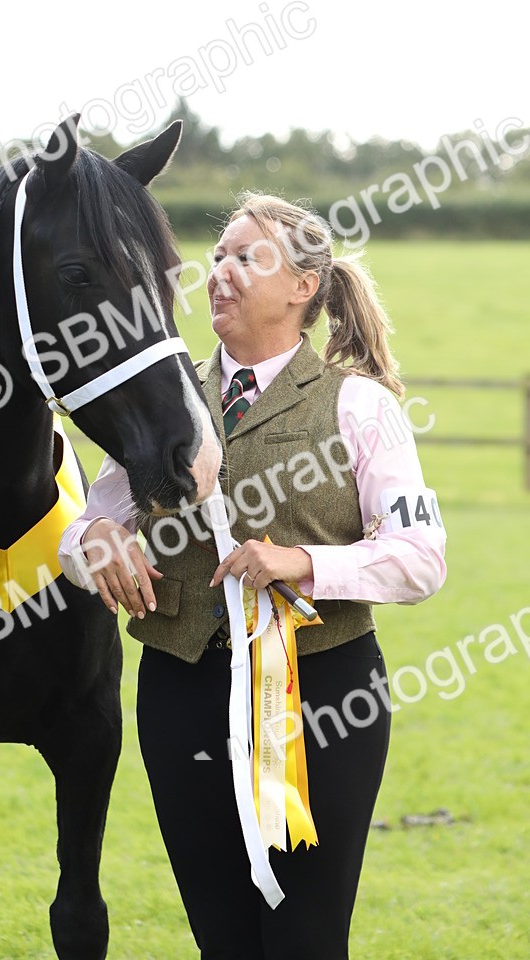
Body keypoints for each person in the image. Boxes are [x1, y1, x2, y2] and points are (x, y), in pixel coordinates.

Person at [58, 193, 447, 960]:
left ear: (304, 287)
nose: (220, 274)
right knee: (221, 941)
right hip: (178, 697)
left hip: (325, 700)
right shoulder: (161, 403)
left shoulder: (359, 406)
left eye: (247, 257)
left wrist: (301, 563)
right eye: (218, 256)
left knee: (304, 940)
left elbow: (422, 557)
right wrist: (95, 540)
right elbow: (86, 525)